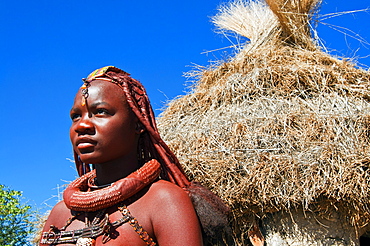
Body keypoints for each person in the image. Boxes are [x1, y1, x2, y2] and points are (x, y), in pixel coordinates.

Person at [40, 66, 230, 246]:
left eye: (100, 112)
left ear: (138, 124)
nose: (81, 125)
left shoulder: (163, 200)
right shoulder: (60, 213)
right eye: (76, 116)